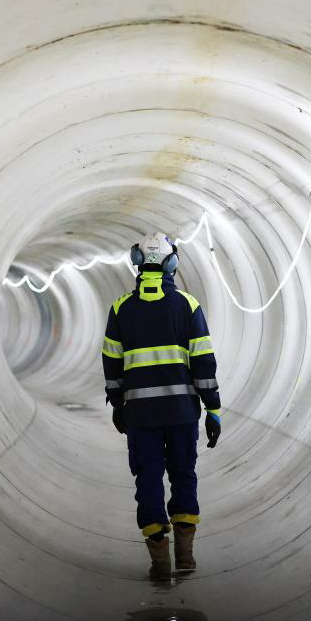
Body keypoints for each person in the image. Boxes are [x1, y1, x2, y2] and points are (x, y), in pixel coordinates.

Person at [101, 231, 222, 580]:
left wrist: (117, 402)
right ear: (173, 263)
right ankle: (185, 556)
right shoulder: (188, 305)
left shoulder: (121, 308)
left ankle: (159, 562)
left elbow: (112, 361)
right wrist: (212, 408)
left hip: (141, 414)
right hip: (182, 413)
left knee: (149, 478)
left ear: (137, 262)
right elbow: (203, 362)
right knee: (184, 474)